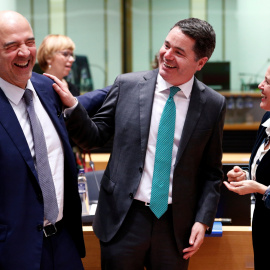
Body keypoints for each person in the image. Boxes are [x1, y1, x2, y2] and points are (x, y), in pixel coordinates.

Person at [45, 17, 226, 270]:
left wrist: (203, 220)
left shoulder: (213, 104)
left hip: (175, 227)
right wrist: (73, 107)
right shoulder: (127, 85)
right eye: (166, 45)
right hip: (124, 220)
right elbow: (93, 137)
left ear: (200, 62)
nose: (167, 55)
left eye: (179, 52)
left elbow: (211, 172)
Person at [0, 10, 86, 269]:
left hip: (65, 245)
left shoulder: (49, 89)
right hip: (14, 253)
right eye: (11, 46)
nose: (25, 52)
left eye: (29, 42)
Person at [224, 65, 270, 270]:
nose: (260, 85)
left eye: (267, 82)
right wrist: (245, 176)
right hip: (262, 227)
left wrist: (259, 188)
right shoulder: (267, 120)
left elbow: (264, 186)